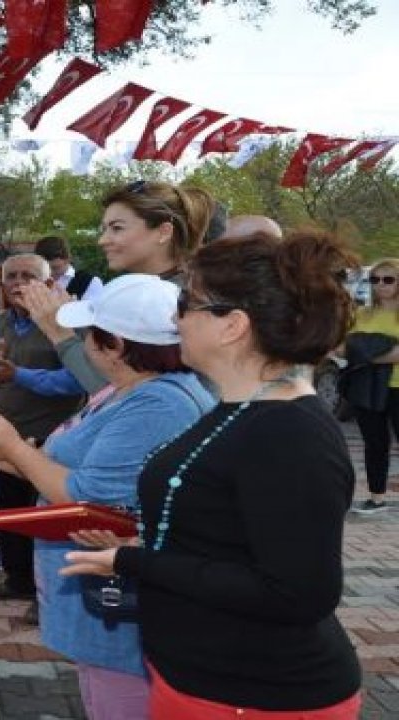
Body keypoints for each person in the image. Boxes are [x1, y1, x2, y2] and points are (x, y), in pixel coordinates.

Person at [63, 230, 362, 718]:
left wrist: (133, 562)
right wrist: (145, 541)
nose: (174, 318)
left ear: (232, 325)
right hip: (204, 679)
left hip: (255, 695)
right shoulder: (243, 407)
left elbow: (299, 591)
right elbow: (231, 530)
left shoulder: (287, 432)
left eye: (187, 303)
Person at [0, 274, 212, 717]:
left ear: (116, 345)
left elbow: (87, 495)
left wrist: (15, 449)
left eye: (90, 333)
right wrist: (9, 455)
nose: (84, 343)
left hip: (120, 611)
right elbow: (72, 468)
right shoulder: (125, 390)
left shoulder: (160, 403)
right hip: (100, 599)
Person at [0, 253, 86, 610]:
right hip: (6, 434)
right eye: (11, 276)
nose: (18, 283)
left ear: (49, 284)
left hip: (52, 437)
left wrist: (16, 374)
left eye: (28, 276)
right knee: (10, 510)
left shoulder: (66, 325)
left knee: (46, 518)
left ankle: (46, 595)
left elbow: (78, 380)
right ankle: (16, 580)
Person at [21, 180, 215, 395]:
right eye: (103, 229)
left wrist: (60, 334)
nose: (103, 240)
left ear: (163, 232)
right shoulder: (144, 293)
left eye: (117, 228)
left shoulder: (186, 303)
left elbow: (125, 392)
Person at [341, 257, 399, 513]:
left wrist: (364, 353)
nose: (380, 285)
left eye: (388, 279)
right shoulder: (361, 313)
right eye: (374, 279)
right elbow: (341, 347)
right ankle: (376, 497)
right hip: (366, 387)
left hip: (397, 386)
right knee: (375, 443)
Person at [34, 236, 103, 301]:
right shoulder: (34, 281)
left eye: (55, 268)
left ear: (68, 259)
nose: (50, 273)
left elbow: (95, 311)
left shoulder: (90, 282)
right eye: (44, 268)